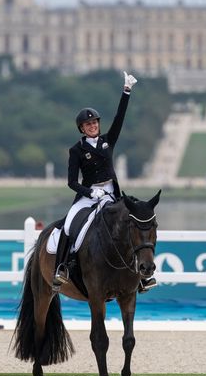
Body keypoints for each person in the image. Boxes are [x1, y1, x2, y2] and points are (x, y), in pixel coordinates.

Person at [53, 71, 157, 293]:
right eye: (88, 124)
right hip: (88, 194)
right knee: (70, 225)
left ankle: (142, 277)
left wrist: (126, 92)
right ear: (81, 128)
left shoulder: (108, 141)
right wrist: (90, 193)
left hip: (112, 193)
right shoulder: (76, 150)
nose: (93, 126)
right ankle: (62, 268)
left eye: (95, 123)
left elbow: (120, 118)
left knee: (136, 224)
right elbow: (71, 182)